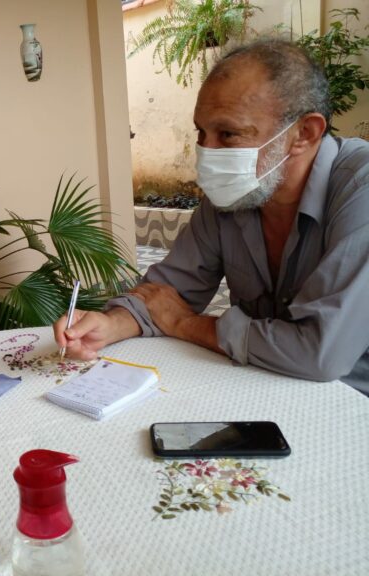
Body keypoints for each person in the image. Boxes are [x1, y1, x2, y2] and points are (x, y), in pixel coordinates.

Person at [54, 40, 369, 395]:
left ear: (304, 133)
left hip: (352, 408)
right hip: (261, 385)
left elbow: (319, 353)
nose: (206, 152)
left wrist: (185, 324)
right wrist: (108, 324)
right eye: (201, 132)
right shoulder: (235, 195)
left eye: (228, 134)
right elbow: (165, 292)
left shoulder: (360, 189)